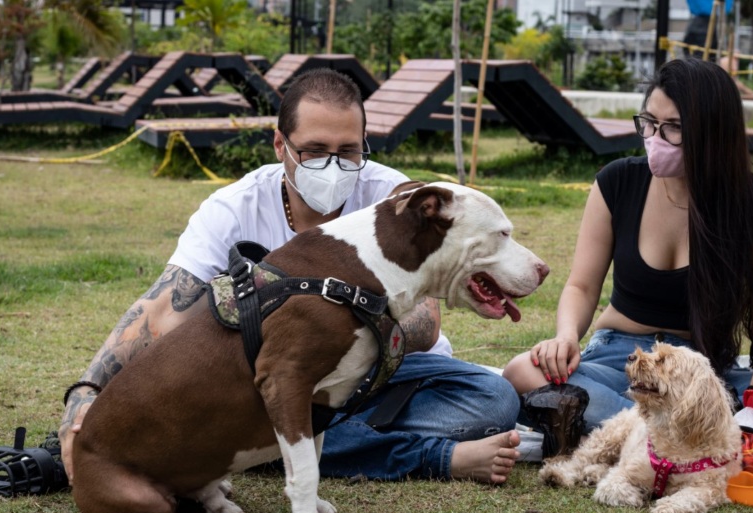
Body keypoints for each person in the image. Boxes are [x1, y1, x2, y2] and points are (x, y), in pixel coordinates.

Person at [59, 68, 521, 487]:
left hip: (385, 372)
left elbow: (423, 328)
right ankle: (430, 456)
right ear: (280, 145)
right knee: (279, 393)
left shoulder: (396, 200)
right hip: (280, 375)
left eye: (348, 151)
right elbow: (163, 307)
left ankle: (273, 446)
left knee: (494, 400)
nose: (334, 165)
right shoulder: (233, 208)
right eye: (315, 151)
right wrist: (86, 393)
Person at [504, 58, 753, 448]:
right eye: (649, 123)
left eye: (673, 127)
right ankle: (688, 441)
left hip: (697, 372)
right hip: (621, 360)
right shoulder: (617, 181)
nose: (655, 137)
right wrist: (566, 335)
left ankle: (633, 436)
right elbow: (582, 285)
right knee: (523, 371)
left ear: (712, 133)